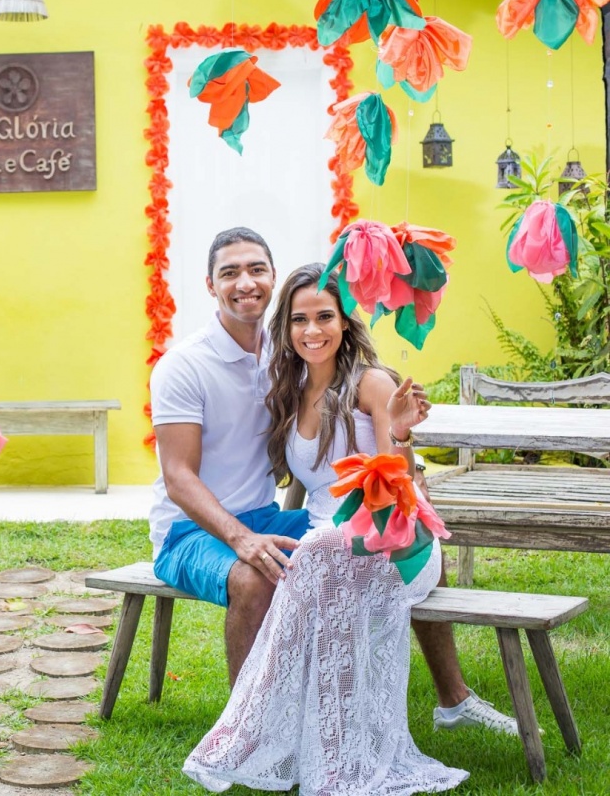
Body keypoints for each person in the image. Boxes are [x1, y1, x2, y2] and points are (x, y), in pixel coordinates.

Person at [148, 228, 515, 724]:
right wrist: (243, 540)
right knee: (257, 579)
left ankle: (451, 697)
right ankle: (249, 728)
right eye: (229, 272)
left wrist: (405, 467)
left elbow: (333, 439)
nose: (245, 282)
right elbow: (177, 477)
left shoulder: (285, 360)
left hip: (266, 516)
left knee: (396, 543)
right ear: (210, 285)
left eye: (256, 269)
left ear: (272, 278)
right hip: (189, 530)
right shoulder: (184, 366)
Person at [181, 262, 468, 793]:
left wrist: (400, 433)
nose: (312, 330)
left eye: (325, 317)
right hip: (325, 551)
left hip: (389, 545)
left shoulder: (370, 383)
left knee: (315, 559)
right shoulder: (292, 388)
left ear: (345, 322)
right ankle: (290, 739)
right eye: (299, 319)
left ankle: (298, 747)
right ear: (285, 329)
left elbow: (399, 487)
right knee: (314, 557)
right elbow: (310, 490)